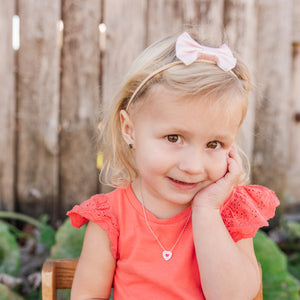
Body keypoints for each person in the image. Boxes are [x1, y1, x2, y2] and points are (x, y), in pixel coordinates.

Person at [67, 31, 280, 299]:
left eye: (214, 144)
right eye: (173, 138)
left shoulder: (228, 212)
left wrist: (206, 211)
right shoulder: (111, 217)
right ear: (129, 129)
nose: (193, 166)